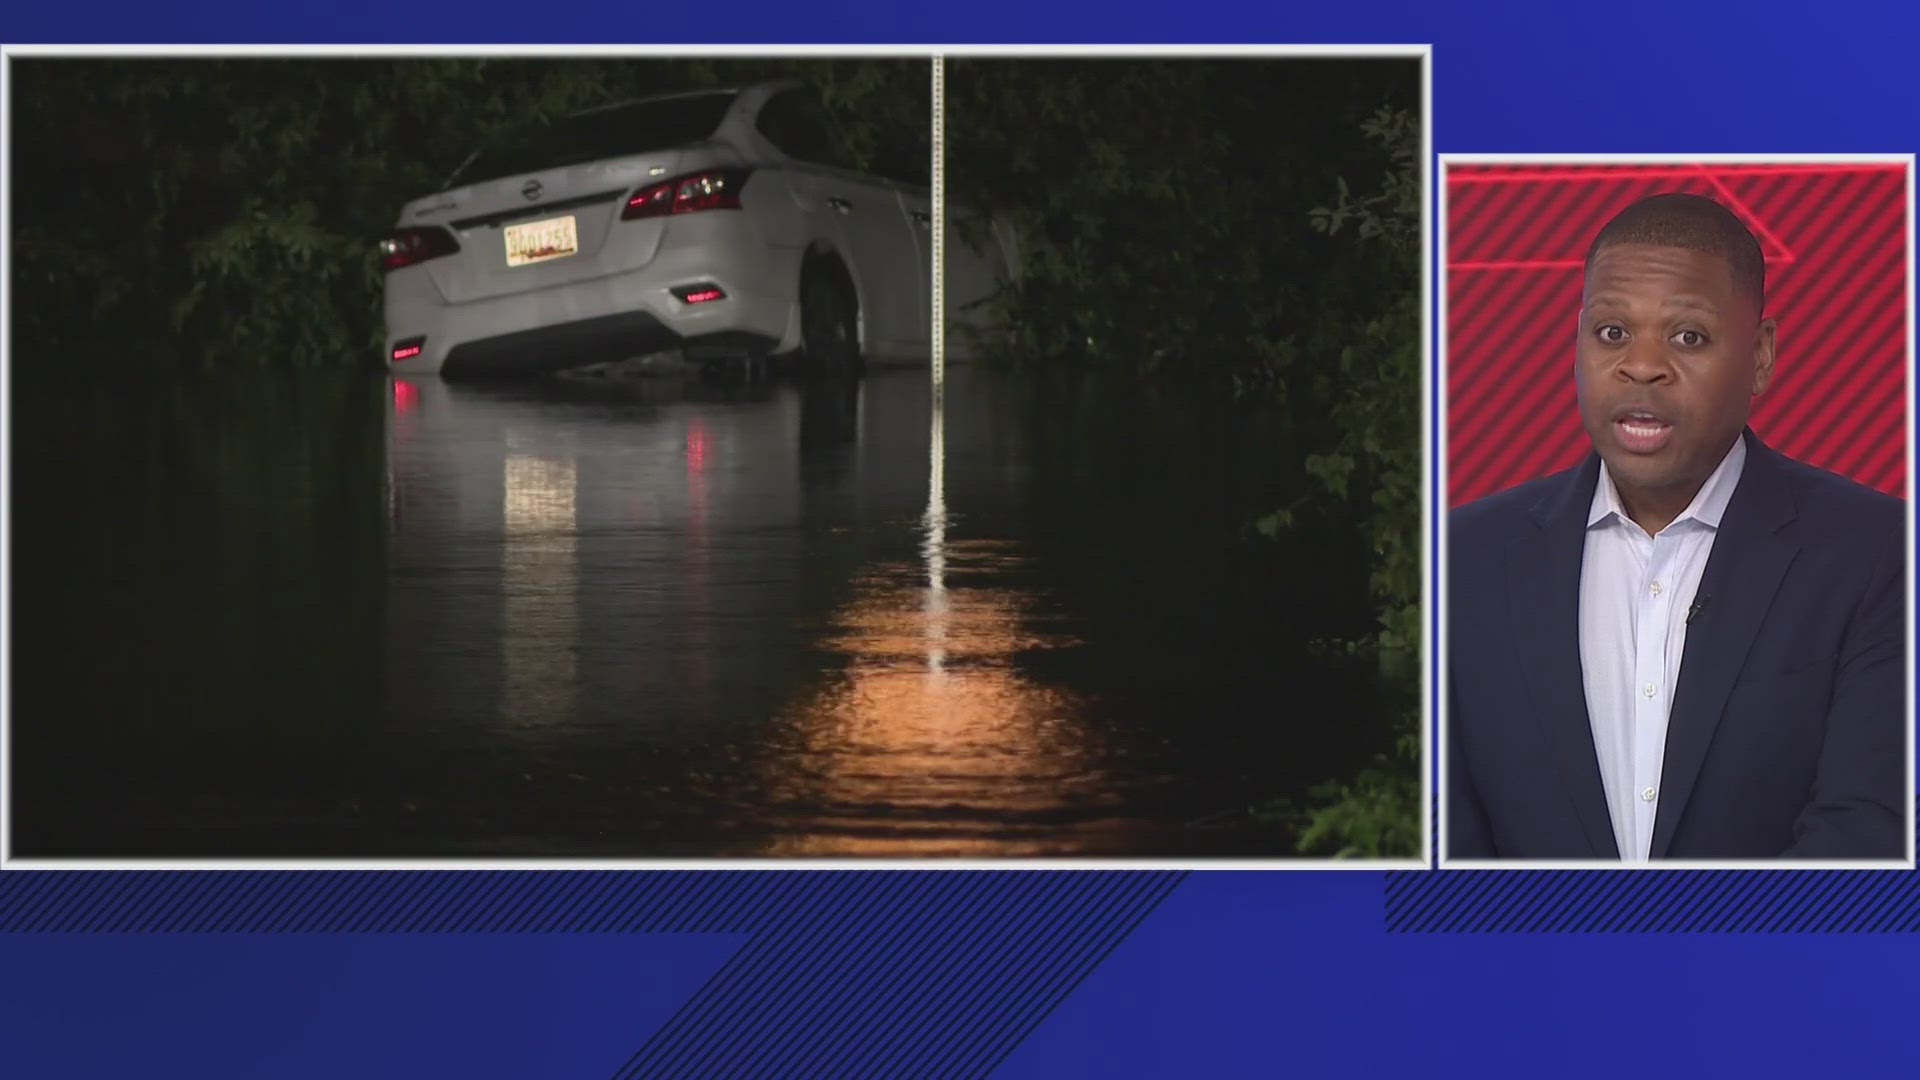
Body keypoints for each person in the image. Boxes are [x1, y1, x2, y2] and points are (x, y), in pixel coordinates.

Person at [1448, 192, 1906, 861]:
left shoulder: (1877, 553)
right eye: (1611, 333)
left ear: (1760, 356)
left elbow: (1863, 830)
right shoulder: (1466, 560)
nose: (1642, 365)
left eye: (1687, 337)